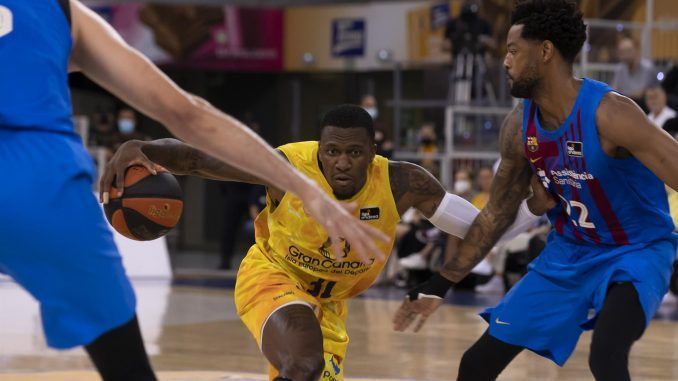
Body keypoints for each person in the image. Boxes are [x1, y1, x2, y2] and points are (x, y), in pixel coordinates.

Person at [0, 2, 389, 381]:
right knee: (128, 370)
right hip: (41, 180)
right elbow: (185, 112)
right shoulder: (60, 10)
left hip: (36, 175)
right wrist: (307, 189)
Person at [105, 104, 555, 381]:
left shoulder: (402, 182)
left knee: (306, 368)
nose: (342, 163)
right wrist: (142, 147)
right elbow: (197, 158)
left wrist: (533, 208)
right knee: (303, 363)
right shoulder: (285, 165)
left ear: (373, 150)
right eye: (332, 151)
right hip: (273, 277)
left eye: (354, 152)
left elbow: (477, 231)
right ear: (318, 148)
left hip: (332, 306)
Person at [394, 2, 678, 381]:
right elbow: (495, 214)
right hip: (571, 252)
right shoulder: (518, 127)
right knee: (474, 365)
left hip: (637, 250)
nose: (505, 61)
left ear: (545, 51)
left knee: (606, 356)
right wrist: (440, 282)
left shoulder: (611, 114)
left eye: (513, 50)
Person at [611, 37, 659, 109]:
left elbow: (640, 94)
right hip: (626, 104)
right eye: (622, 52)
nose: (625, 55)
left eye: (628, 51)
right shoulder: (620, 68)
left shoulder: (647, 68)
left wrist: (621, 94)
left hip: (645, 107)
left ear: (637, 50)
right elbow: (614, 91)